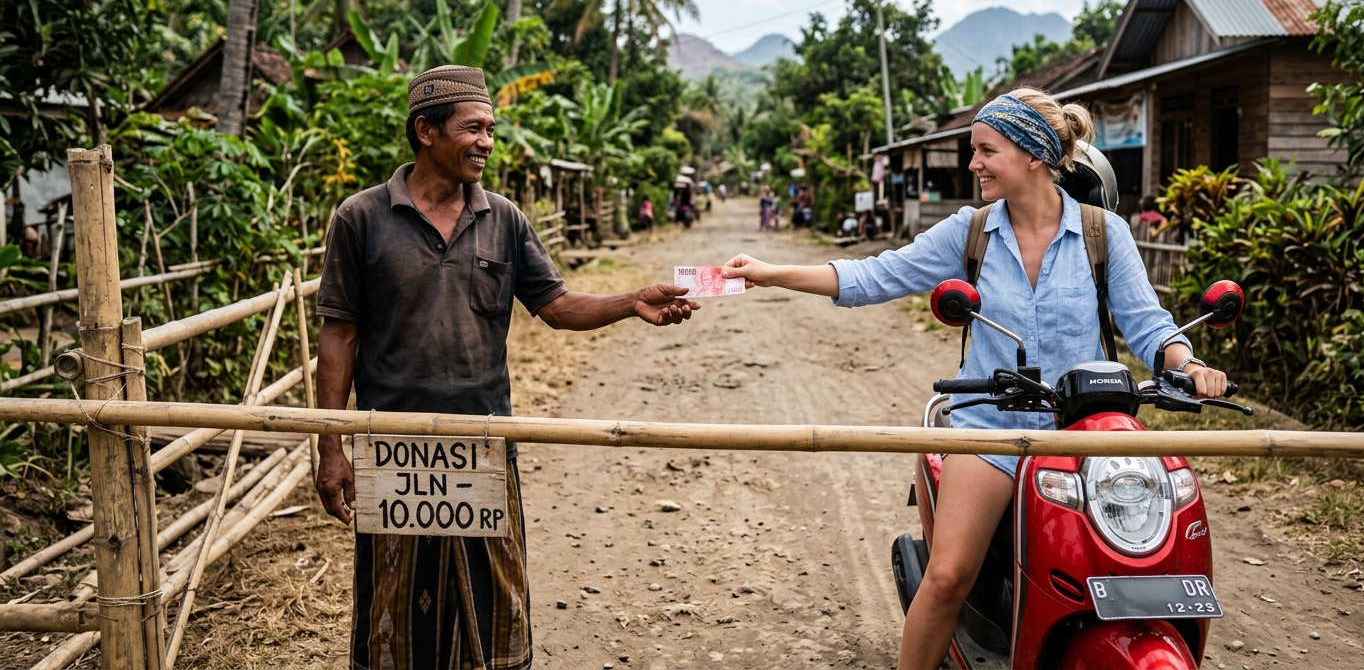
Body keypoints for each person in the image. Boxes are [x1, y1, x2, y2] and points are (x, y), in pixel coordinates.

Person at [721, 88, 1229, 670]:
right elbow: (874, 275)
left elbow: (1148, 326)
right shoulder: (972, 232)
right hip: (990, 435)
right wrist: (768, 273)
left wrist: (1187, 365)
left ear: (1033, 155)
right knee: (946, 576)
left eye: (986, 150)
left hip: (1084, 438)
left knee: (1132, 570)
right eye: (973, 150)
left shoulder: (1102, 234)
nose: (973, 164)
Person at [313, 65, 701, 670]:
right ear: (425, 131)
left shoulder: (505, 219)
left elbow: (558, 306)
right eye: (473, 128)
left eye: (491, 128)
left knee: (494, 618)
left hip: (486, 442)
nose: (487, 142)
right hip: (392, 448)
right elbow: (338, 335)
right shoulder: (360, 219)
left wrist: (631, 303)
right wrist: (330, 448)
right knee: (394, 623)